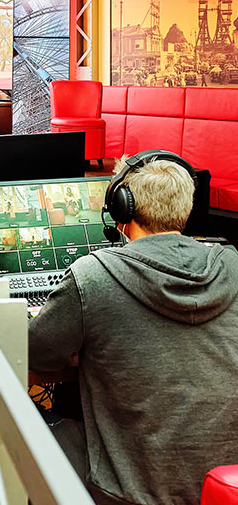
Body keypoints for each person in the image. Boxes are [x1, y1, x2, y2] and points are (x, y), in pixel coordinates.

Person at [28, 150, 238, 505]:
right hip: (219, 486)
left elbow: (34, 357)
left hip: (125, 494)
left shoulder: (92, 277)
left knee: (31, 423)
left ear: (123, 208)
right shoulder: (232, 265)